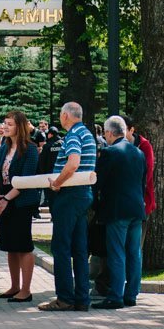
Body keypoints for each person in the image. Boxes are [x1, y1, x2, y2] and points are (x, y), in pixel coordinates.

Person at [38, 102, 97, 312]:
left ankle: (64, 298)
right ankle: (82, 298)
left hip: (69, 195)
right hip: (83, 194)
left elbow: (73, 163)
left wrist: (57, 182)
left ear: (65, 116)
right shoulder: (88, 134)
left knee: (61, 247)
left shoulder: (73, 135)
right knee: (80, 250)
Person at [92, 116, 147, 310]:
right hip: (136, 209)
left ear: (108, 133)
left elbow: (98, 182)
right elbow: (142, 183)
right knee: (134, 253)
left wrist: (96, 205)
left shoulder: (109, 153)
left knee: (116, 253)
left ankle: (115, 295)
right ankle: (131, 294)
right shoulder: (139, 153)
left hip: (116, 210)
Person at [0, 110, 40, 303]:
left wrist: (6, 200)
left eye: (9, 124)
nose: (5, 127)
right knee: (10, 246)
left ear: (19, 126)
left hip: (21, 202)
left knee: (23, 245)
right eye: (5, 123)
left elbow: (26, 180)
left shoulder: (30, 149)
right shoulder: (4, 147)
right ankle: (14, 286)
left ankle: (26, 290)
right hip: (4, 198)